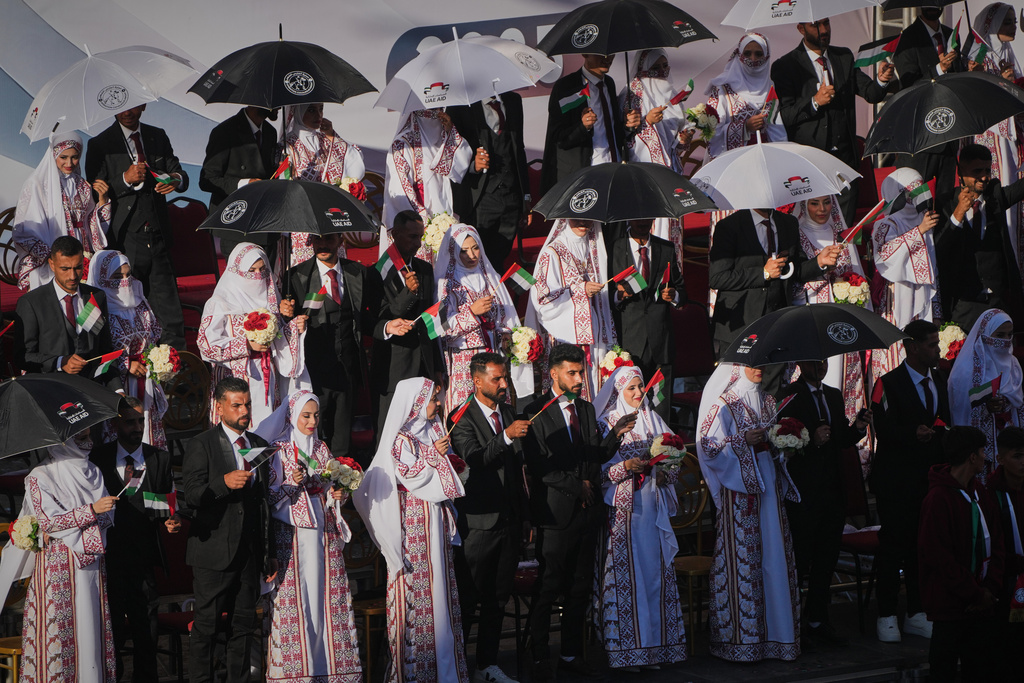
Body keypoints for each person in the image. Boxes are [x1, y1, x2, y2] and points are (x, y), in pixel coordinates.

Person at [521, 344, 635, 681]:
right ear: (554, 374)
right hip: (556, 514)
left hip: (586, 513)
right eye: (571, 373)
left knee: (578, 588)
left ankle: (570, 654)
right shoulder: (535, 412)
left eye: (581, 372)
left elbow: (594, 455)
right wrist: (576, 486)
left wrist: (615, 435)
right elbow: (539, 466)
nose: (578, 379)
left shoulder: (585, 409)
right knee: (548, 587)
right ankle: (539, 656)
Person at [353, 377, 470, 683]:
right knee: (420, 592)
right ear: (416, 403)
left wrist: (448, 460)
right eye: (431, 399)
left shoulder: (433, 430)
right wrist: (435, 456)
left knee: (440, 588)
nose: (437, 405)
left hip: (434, 517)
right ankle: (416, 672)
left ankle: (445, 671)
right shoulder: (401, 438)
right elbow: (409, 475)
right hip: (414, 521)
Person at [255, 390, 362, 682]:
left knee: (324, 597)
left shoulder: (321, 448)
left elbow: (329, 486)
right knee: (297, 597)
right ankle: (297, 672)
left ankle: (328, 670)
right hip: (291, 535)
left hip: (323, 533)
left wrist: (337, 494)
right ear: (292, 416)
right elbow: (267, 497)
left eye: (316, 415)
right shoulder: (278, 449)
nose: (312, 421)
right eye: (306, 416)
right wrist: (291, 483)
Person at [696, 362, 801, 662]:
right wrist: (742, 440)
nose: (759, 369)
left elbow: (772, 441)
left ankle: (779, 638)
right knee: (746, 562)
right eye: (752, 364)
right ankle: (744, 642)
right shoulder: (724, 404)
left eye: (763, 364)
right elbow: (708, 447)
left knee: (775, 557)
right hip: (741, 495)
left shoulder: (768, 401)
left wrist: (784, 443)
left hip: (769, 487)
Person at [593, 365, 687, 671]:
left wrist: (666, 469)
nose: (637, 393)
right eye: (631, 388)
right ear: (618, 391)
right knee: (628, 580)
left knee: (654, 577)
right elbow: (597, 473)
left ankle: (655, 648)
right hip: (624, 514)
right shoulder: (607, 423)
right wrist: (626, 467)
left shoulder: (653, 418)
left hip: (652, 509)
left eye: (640, 386)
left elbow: (674, 456)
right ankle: (627, 651)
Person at [283, 232, 410, 459]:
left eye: (329, 239)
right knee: (313, 435)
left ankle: (342, 478)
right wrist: (287, 317)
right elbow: (284, 326)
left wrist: (387, 327)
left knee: (343, 440)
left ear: (341, 241)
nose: (322, 244)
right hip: (312, 373)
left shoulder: (358, 272)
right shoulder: (296, 276)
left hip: (348, 370)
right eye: (317, 239)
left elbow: (367, 318)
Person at [2, 435, 119, 682]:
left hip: (91, 561)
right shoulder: (40, 476)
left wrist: (92, 518)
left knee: (90, 628)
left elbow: (108, 516)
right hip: (57, 564)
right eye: (79, 435)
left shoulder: (93, 471)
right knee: (59, 632)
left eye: (88, 433)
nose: (87, 440)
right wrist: (90, 511)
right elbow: (48, 522)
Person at [183, 378, 277, 683]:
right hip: (213, 553)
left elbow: (264, 503)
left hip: (248, 554)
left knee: (244, 627)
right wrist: (222, 483)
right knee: (206, 628)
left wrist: (269, 552)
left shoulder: (258, 444)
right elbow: (191, 495)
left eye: (247, 404)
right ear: (220, 407)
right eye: (237, 405)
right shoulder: (202, 444)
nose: (244, 411)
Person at [448, 353, 532, 683]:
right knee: (468, 599)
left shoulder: (507, 413)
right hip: (478, 524)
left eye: (504, 378)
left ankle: (487, 664)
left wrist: (524, 516)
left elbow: (518, 471)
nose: (503, 384)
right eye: (496, 379)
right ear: (477, 381)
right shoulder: (461, 417)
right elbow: (474, 458)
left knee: (497, 599)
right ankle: (457, 664)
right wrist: (506, 436)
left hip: (509, 521)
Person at [777, 359, 870, 646]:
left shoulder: (832, 394)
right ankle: (793, 623)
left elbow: (840, 437)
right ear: (801, 363)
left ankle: (818, 618)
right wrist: (811, 441)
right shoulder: (789, 395)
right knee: (801, 558)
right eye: (813, 362)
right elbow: (781, 440)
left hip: (832, 490)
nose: (820, 366)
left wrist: (858, 427)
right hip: (804, 492)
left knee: (826, 558)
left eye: (823, 362)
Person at [771, 18, 897, 224]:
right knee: (811, 227)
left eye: (826, 23)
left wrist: (882, 81)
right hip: (809, 162)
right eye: (815, 25)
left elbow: (870, 93)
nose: (823, 30)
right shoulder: (786, 65)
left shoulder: (843, 57)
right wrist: (814, 102)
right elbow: (786, 115)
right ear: (801, 29)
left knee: (843, 228)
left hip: (844, 161)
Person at [90, 397, 180, 683]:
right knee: (112, 633)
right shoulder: (97, 459)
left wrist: (172, 520)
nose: (137, 427)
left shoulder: (159, 458)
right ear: (116, 424)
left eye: (141, 421)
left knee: (147, 635)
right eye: (130, 421)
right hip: (110, 561)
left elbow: (169, 503)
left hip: (144, 562)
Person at [870, 319, 949, 643]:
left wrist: (936, 430)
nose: (938, 350)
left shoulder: (939, 379)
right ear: (913, 347)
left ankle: (916, 611)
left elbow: (943, 417)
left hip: (927, 479)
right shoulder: (886, 383)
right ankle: (887, 613)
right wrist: (911, 433)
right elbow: (882, 426)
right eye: (932, 344)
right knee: (893, 546)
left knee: (923, 546)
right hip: (896, 481)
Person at [85, 103, 187, 349]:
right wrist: (124, 179)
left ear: (143, 105)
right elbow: (93, 191)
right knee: (127, 303)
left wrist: (175, 180)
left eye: (133, 106)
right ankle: (133, 358)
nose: (127, 112)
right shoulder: (99, 144)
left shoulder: (157, 135)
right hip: (124, 238)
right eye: (122, 107)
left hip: (158, 234)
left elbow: (179, 173)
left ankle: (176, 362)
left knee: (169, 307)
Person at [708, 206, 841, 393]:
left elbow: (795, 270)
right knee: (736, 392)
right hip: (740, 328)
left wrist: (819, 262)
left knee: (772, 394)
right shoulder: (729, 226)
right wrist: (763, 273)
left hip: (776, 324)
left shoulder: (787, 223)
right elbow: (718, 277)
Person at [918, 426, 1005, 682]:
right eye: (982, 452)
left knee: (979, 669)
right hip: (951, 606)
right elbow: (938, 556)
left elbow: (997, 541)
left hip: (982, 604)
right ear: (972, 457)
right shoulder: (938, 499)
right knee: (943, 670)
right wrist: (974, 593)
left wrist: (990, 587)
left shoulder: (980, 492)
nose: (985, 458)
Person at [198, 243, 308, 429]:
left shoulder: (271, 299)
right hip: (235, 379)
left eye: (262, 269)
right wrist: (246, 345)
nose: (258, 275)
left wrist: (292, 325)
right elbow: (206, 345)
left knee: (268, 428)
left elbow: (278, 338)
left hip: (268, 378)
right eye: (251, 270)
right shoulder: (220, 302)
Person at [791, 195, 871, 422]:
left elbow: (854, 273)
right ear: (804, 205)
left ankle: (849, 435)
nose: (822, 209)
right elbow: (792, 282)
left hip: (842, 319)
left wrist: (852, 288)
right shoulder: (796, 235)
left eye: (827, 202)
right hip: (812, 317)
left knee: (843, 376)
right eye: (814, 203)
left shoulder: (840, 235)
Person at [13, 235, 122, 391]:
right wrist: (60, 362)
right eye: (65, 269)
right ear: (52, 264)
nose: (73, 276)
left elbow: (104, 350)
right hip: (51, 391)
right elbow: (22, 356)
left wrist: (118, 390)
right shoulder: (32, 303)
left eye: (78, 268)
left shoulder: (96, 297)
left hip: (91, 390)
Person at [524, 219, 617, 401]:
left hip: (595, 336)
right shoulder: (552, 253)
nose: (583, 222)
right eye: (577, 217)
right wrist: (580, 290)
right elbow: (543, 300)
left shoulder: (594, 248)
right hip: (565, 338)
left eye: (588, 218)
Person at [935, 144, 1024, 331]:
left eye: (987, 170)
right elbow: (939, 250)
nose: (984, 177)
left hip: (997, 304)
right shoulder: (944, 204)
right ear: (961, 172)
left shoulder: (995, 198)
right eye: (977, 171)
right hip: (963, 306)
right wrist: (958, 214)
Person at [86, 249, 168, 449]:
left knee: (147, 436)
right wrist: (124, 364)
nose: (125, 282)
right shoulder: (92, 307)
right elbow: (89, 351)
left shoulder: (139, 301)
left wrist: (157, 359)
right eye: (117, 277)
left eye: (127, 275)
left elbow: (153, 336)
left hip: (144, 384)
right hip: (114, 386)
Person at [370, 210, 445, 432]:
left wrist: (436, 366)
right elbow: (381, 318)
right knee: (390, 430)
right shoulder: (377, 272)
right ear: (395, 234)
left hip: (423, 363)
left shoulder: (425, 269)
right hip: (394, 368)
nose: (418, 244)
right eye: (412, 237)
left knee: (421, 429)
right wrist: (409, 294)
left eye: (420, 237)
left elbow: (428, 319)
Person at [621, 49, 698, 260]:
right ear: (643, 68)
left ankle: (671, 277)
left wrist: (683, 140)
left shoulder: (671, 95)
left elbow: (674, 144)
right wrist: (647, 122)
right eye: (656, 67)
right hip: (643, 176)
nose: (662, 71)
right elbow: (623, 138)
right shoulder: (631, 95)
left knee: (670, 235)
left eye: (665, 66)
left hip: (670, 177)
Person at [436, 223, 520, 414]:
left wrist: (506, 334)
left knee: (495, 408)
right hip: (464, 360)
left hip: (493, 356)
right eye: (464, 251)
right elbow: (442, 330)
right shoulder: (446, 284)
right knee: (467, 413)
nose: (472, 255)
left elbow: (504, 317)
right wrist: (471, 312)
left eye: (475, 248)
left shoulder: (490, 277)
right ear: (454, 252)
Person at [608, 218, 685, 422]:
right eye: (637, 218)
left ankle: (663, 439)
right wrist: (619, 295)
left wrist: (674, 295)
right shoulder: (614, 248)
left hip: (661, 340)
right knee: (631, 403)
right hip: (629, 339)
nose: (642, 222)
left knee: (661, 405)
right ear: (629, 219)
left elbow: (681, 289)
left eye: (647, 218)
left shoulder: (665, 248)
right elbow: (604, 294)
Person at [13, 131, 110, 291]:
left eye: (75, 157)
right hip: (51, 249)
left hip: (81, 246)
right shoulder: (37, 184)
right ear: (53, 155)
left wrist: (102, 200)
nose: (69, 162)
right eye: (63, 157)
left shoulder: (83, 185)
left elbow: (89, 221)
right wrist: (52, 254)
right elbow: (24, 230)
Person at [969, 3, 1024, 276]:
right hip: (991, 139)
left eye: (1014, 21)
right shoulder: (980, 57)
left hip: (1012, 140)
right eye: (1007, 22)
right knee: (999, 195)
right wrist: (1002, 83)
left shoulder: (1008, 54)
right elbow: (978, 99)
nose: (1014, 27)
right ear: (992, 26)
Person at [871, 168, 941, 380]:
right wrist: (918, 232)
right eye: (911, 191)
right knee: (896, 352)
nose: (916, 196)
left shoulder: (924, 219)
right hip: (896, 297)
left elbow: (933, 267)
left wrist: (936, 309)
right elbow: (885, 255)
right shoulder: (886, 223)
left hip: (921, 295)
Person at [449, 92, 530, 269]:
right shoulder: (459, 106)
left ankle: (496, 286)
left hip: (511, 198)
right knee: (476, 258)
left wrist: (526, 197)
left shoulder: (513, 100)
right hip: (479, 199)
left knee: (500, 257)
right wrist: (472, 165)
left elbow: (519, 149)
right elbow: (449, 153)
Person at [540, 53, 641, 193]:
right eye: (601, 54)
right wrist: (583, 127)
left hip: (615, 168)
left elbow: (613, 130)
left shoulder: (609, 83)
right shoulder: (566, 87)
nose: (607, 58)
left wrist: (627, 125)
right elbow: (557, 139)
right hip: (585, 176)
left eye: (611, 54)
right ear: (585, 54)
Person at [283, 102, 366, 266]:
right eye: (311, 110)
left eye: (321, 109)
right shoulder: (288, 145)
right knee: (306, 272)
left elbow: (355, 166)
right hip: (303, 223)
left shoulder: (326, 139)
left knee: (334, 270)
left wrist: (332, 136)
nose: (318, 115)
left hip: (330, 220)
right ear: (299, 112)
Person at [949, 309, 1023, 481]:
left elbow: (1019, 403)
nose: (1005, 341)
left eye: (1009, 335)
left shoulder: (1013, 364)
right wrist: (985, 407)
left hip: (1010, 444)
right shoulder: (966, 370)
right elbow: (960, 410)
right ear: (985, 334)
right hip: (982, 446)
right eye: (1000, 335)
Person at [893, 7, 961, 191]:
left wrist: (968, 69)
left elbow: (957, 78)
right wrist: (939, 69)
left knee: (944, 199)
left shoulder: (951, 35)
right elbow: (909, 85)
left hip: (948, 134)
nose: (932, 5)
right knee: (916, 198)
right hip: (920, 137)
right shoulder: (907, 38)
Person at [200, 106, 280, 261]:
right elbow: (207, 179)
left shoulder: (270, 132)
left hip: (265, 224)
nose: (278, 107)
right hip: (236, 224)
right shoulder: (225, 131)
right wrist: (245, 183)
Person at [382, 108, 473, 237]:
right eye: (430, 113)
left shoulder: (444, 137)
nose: (435, 117)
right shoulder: (402, 145)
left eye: (438, 111)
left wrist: (450, 131)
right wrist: (423, 220)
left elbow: (458, 168)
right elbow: (399, 189)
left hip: (444, 205)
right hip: (417, 213)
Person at [705, 33, 788, 160]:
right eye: (747, 53)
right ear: (739, 55)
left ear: (766, 56)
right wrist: (744, 127)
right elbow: (710, 133)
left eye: (758, 54)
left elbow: (775, 128)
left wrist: (781, 156)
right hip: (732, 161)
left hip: (763, 157)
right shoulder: (722, 88)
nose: (753, 59)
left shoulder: (770, 87)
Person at [988, 427, 1024, 680]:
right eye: (1017, 456)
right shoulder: (990, 494)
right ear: (1000, 458)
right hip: (1006, 583)